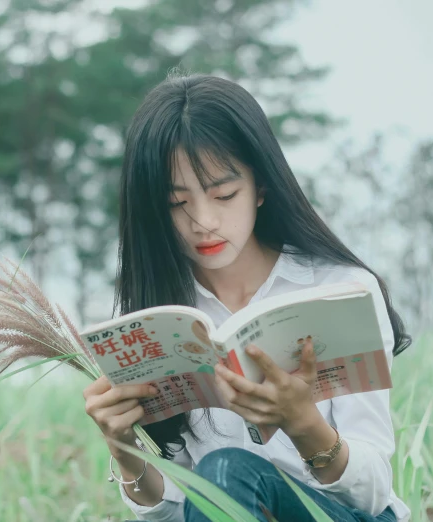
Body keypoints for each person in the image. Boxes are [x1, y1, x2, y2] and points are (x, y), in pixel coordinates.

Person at [82, 74, 411, 522]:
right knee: (218, 481)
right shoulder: (156, 320)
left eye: (223, 193)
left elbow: (373, 496)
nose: (203, 221)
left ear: (261, 186)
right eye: (177, 203)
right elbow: (176, 512)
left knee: (224, 472)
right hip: (219, 507)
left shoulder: (339, 289)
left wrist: (304, 424)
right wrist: (125, 452)